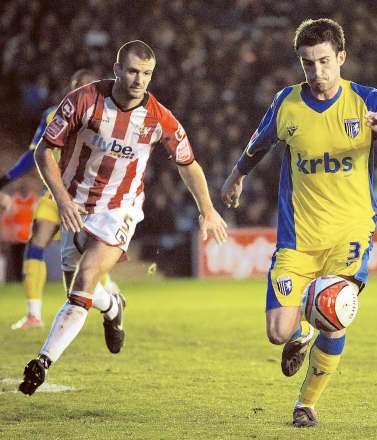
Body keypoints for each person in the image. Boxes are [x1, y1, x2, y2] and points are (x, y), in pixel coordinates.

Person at [221, 18, 377, 428]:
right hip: (298, 239)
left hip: (350, 233)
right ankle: (301, 333)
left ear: (341, 58)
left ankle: (306, 404)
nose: (317, 73)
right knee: (277, 332)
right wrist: (236, 176)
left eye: (324, 62)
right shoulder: (287, 104)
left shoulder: (367, 100)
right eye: (307, 64)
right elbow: (258, 142)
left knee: (336, 313)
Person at [19, 40, 227, 395]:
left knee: (84, 280)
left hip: (120, 207)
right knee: (79, 292)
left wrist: (207, 210)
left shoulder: (158, 117)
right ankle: (113, 305)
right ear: (117, 69)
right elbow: (44, 151)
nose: (138, 80)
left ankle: (42, 362)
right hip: (75, 205)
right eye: (132, 71)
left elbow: (188, 164)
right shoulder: (84, 100)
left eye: (146, 74)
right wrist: (62, 199)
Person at [0, 69, 120, 330]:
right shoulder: (53, 114)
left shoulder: (108, 117)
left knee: (88, 252)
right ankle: (34, 314)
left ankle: (109, 296)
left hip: (87, 197)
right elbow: (35, 154)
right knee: (37, 241)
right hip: (55, 194)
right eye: (77, 87)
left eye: (86, 88)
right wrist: (5, 180)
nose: (80, 93)